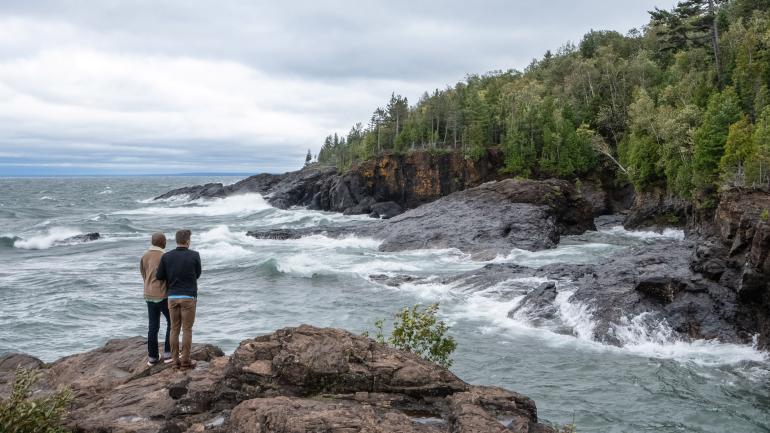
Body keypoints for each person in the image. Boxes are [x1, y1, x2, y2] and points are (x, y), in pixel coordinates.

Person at [156, 229, 201, 370]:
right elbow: (197, 274)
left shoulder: (167, 257)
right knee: (187, 329)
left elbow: (159, 276)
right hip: (188, 297)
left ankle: (175, 361)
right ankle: (186, 361)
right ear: (187, 241)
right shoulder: (195, 255)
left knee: (174, 329)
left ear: (176, 241)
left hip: (172, 297)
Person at [139, 232, 172, 366]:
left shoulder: (144, 256)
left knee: (153, 326)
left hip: (148, 294)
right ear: (163, 242)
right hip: (162, 294)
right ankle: (168, 353)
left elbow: (143, 273)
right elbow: (168, 276)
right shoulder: (165, 256)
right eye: (165, 240)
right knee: (172, 322)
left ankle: (152, 357)